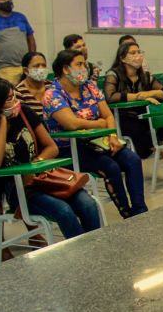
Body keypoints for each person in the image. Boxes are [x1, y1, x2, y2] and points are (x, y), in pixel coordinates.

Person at [0, 78, 101, 239]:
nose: (15, 102)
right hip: (16, 189)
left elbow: (52, 147)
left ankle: (95, 246)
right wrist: (2, 123)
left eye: (14, 96)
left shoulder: (25, 113)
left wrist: (36, 164)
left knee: (88, 204)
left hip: (44, 178)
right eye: (9, 99)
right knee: (63, 210)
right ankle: (84, 253)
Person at [43, 50, 147, 218]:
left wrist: (112, 136)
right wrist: (98, 124)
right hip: (71, 149)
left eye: (84, 64)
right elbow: (71, 124)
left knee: (132, 159)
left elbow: (108, 115)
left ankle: (140, 210)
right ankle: (127, 214)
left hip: (100, 141)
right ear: (65, 69)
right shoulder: (53, 94)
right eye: (79, 64)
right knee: (111, 167)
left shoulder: (89, 87)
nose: (84, 68)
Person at [103, 41, 163, 159]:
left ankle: (159, 146)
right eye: (133, 53)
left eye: (139, 52)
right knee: (138, 124)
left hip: (142, 113)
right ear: (122, 58)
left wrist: (150, 93)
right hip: (121, 116)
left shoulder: (145, 76)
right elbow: (110, 97)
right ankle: (155, 149)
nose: (138, 55)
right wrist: (138, 96)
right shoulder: (113, 74)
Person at [14, 52, 51, 116]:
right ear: (26, 70)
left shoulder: (52, 86)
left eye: (44, 65)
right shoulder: (19, 92)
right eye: (36, 66)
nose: (41, 69)